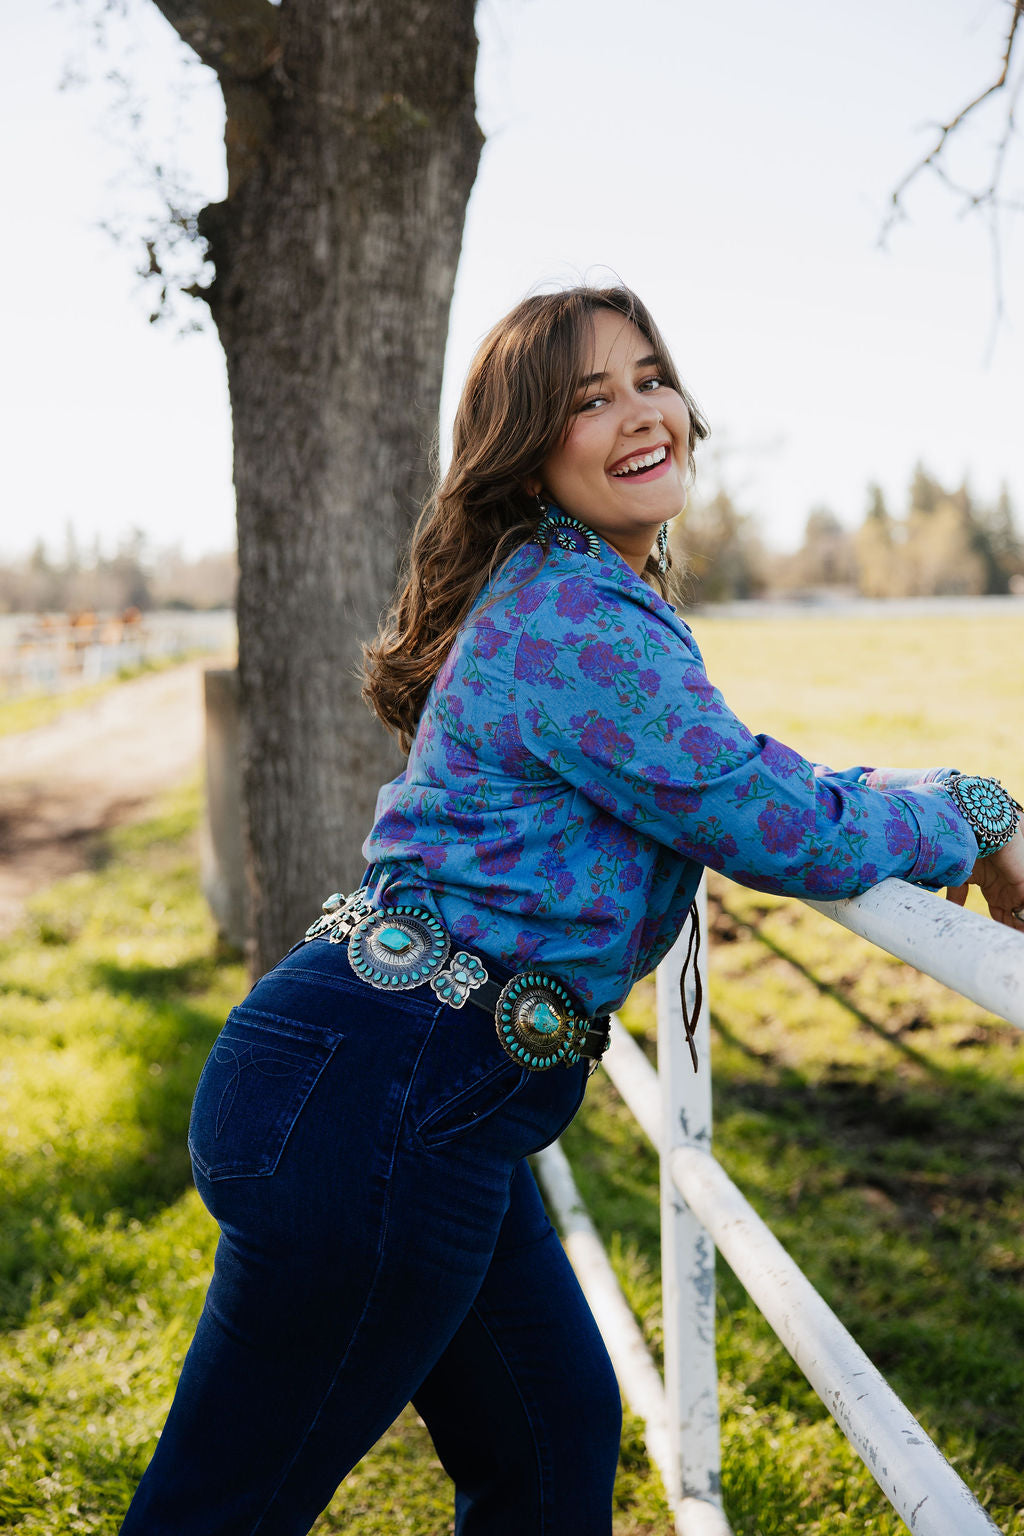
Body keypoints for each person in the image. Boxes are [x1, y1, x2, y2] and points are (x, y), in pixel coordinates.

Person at [120, 284, 1024, 1536]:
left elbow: (744, 776)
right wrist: (971, 808)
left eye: (650, 378)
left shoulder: (574, 597)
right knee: (225, 1511)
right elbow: (773, 824)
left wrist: (913, 797)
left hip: (392, 1092)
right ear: (529, 452)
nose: (638, 413)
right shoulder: (574, 622)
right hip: (386, 1105)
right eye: (587, 400)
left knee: (551, 1441)